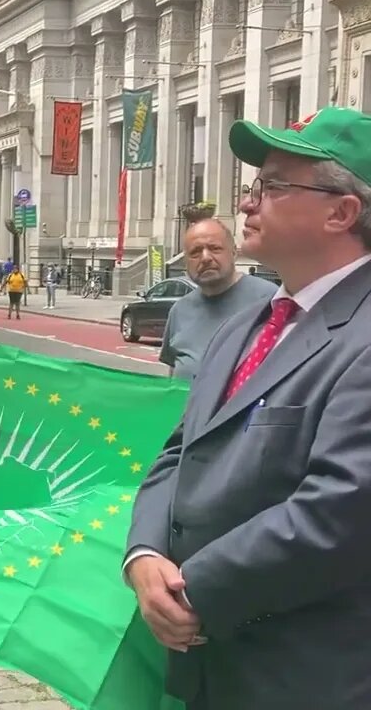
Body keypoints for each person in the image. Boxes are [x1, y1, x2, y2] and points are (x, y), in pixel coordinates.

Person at [125, 106, 371, 709]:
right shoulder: (242, 329)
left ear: (342, 213)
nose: (246, 204)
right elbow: (180, 453)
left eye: (274, 185)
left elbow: (340, 511)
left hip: (309, 677)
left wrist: (193, 591)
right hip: (211, 668)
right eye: (253, 185)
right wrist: (145, 554)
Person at [159, 219, 276, 381]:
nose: (205, 258)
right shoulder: (180, 311)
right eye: (195, 252)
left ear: (234, 253)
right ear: (186, 263)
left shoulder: (270, 300)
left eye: (215, 248)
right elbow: (174, 373)